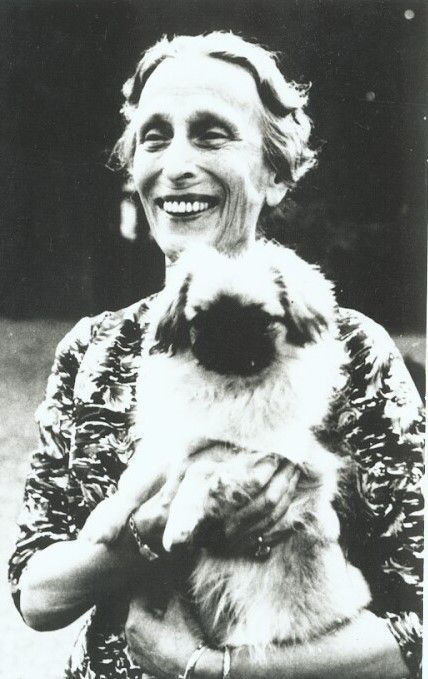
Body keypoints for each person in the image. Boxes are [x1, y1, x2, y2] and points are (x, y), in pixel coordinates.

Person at [9, 32, 423, 679]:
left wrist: (209, 670)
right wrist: (149, 534)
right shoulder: (94, 350)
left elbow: (416, 630)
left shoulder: (349, 351)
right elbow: (34, 593)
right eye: (154, 136)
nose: (176, 163)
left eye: (210, 134)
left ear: (276, 173)